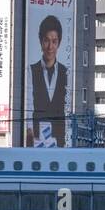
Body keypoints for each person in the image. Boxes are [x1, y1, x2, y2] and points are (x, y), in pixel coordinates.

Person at [27, 14, 69, 147]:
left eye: (54, 41)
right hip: (37, 139)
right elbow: (28, 106)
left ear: (59, 43)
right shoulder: (31, 70)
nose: (50, 47)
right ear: (40, 41)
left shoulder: (66, 72)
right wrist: (29, 131)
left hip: (59, 139)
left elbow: (68, 107)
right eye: (46, 40)